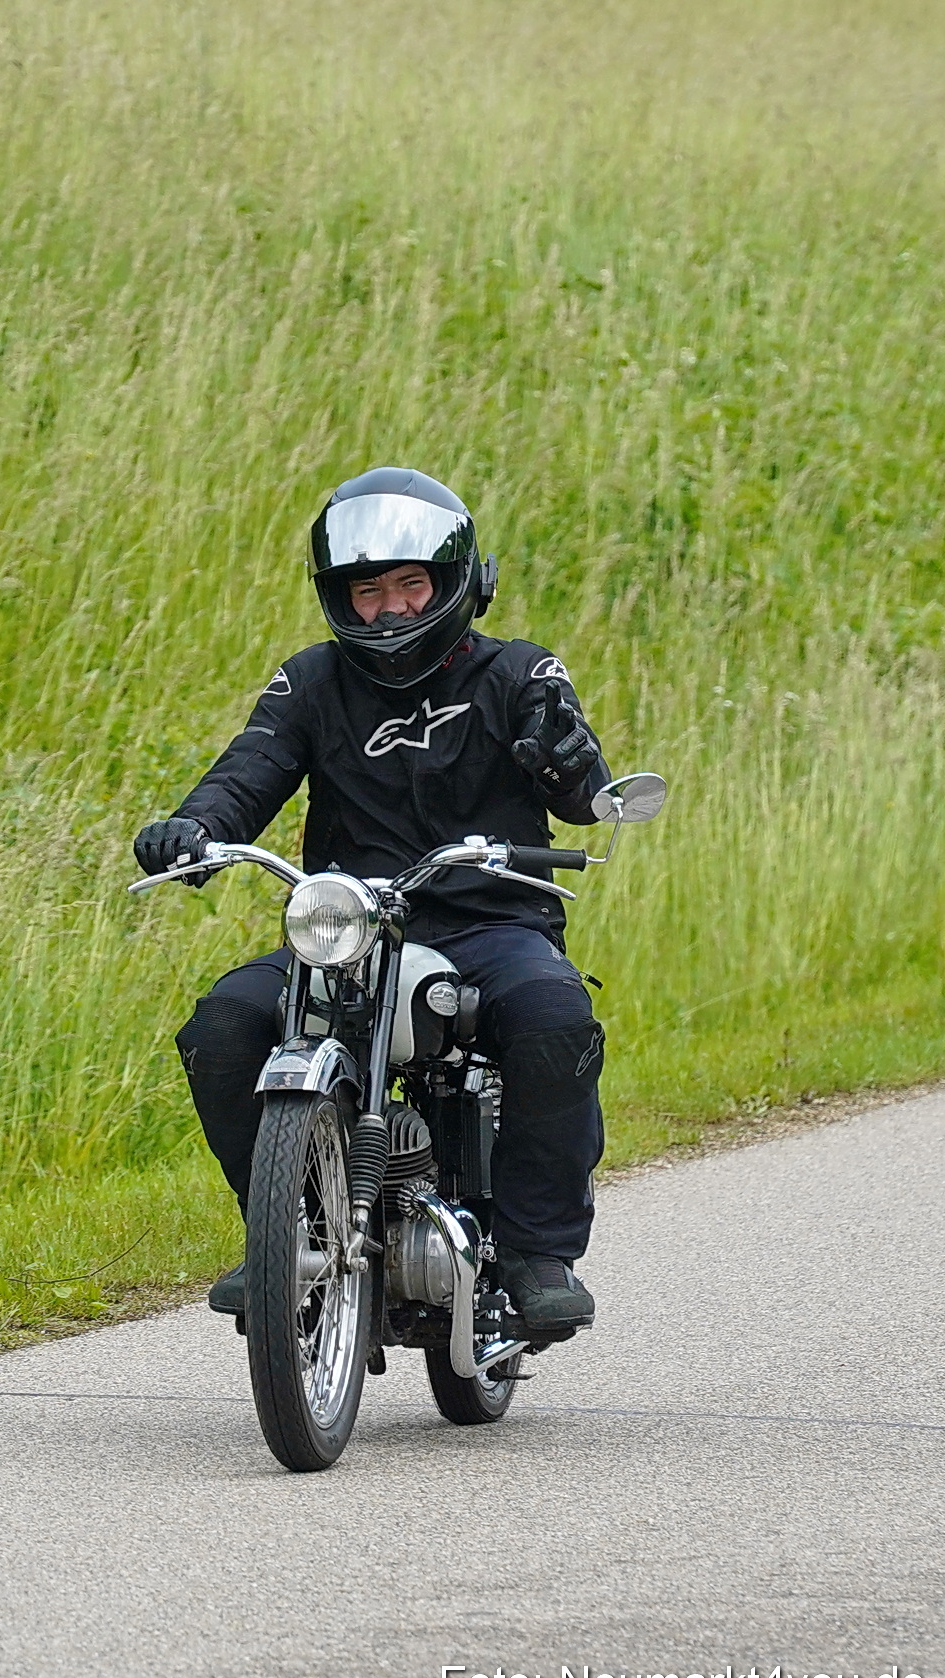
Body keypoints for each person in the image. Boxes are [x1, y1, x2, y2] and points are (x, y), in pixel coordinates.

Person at [134, 468, 612, 1334]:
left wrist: (567, 757)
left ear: (456, 582)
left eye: (408, 585)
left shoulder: (519, 672)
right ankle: (285, 1229)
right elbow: (248, 771)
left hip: (489, 918)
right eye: (365, 591)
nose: (388, 609)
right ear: (337, 598)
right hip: (348, 929)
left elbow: (585, 795)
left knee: (553, 1018)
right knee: (224, 1025)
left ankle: (539, 1250)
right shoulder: (310, 682)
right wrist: (193, 829)